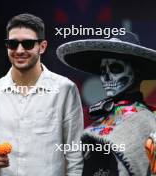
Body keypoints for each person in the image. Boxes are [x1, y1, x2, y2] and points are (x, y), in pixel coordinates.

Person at [0, 13, 84, 176]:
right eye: (12, 44)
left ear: (42, 46)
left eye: (27, 44)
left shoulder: (64, 89)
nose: (19, 50)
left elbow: (75, 156)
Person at [57, 32, 156, 175]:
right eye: (103, 70)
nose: (106, 77)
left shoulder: (147, 121)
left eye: (115, 68)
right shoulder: (103, 117)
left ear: (137, 71)